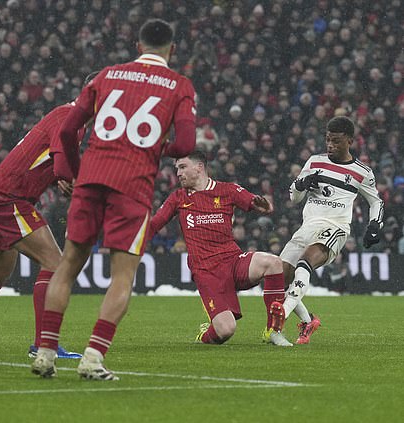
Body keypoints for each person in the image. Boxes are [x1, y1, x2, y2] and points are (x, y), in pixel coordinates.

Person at [32, 19, 198, 381]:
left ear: (138, 47)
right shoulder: (179, 85)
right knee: (123, 276)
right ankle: (93, 357)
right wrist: (157, 147)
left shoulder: (106, 74)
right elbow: (186, 145)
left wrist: (77, 174)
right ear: (171, 50)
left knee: (68, 265)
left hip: (92, 178)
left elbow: (66, 129)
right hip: (132, 185)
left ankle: (45, 352)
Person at [0, 79, 98, 358]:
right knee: (55, 263)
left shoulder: (69, 118)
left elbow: (53, 161)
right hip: (9, 197)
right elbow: (61, 163)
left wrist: (64, 176)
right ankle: (45, 344)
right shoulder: (70, 118)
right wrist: (70, 179)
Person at [150, 151, 291, 347]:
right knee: (226, 330)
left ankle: (273, 331)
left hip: (233, 262)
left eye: (182, 167)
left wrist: (263, 206)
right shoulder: (178, 198)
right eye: (177, 169)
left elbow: (256, 203)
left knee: (274, 263)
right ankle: (206, 335)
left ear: (199, 167)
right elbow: (154, 225)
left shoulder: (227, 190)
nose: (178, 173)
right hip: (207, 271)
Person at [279, 116, 384, 344]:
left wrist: (375, 224)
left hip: (335, 228)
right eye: (327, 140)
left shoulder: (362, 172)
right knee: (279, 277)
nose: (330, 145)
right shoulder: (315, 161)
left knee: (305, 262)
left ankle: (281, 317)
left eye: (336, 141)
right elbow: (293, 197)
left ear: (349, 141)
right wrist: (302, 185)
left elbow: (376, 201)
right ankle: (308, 321)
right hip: (307, 227)